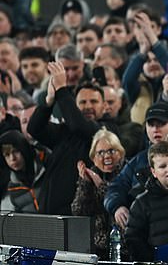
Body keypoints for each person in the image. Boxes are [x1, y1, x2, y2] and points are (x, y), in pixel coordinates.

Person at [27, 64, 114, 215]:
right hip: (51, 213)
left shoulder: (108, 131)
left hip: (83, 217)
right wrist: (48, 102)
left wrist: (61, 89)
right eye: (82, 102)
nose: (88, 106)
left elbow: (79, 127)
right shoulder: (65, 131)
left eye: (93, 101)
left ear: (105, 106)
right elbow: (34, 129)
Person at [104, 102, 168, 229]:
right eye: (151, 124)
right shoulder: (138, 160)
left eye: (161, 124)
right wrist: (117, 207)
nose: (155, 129)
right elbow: (115, 188)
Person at [71, 129, 125, 259]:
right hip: (97, 250)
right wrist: (86, 184)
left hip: (123, 249)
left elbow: (122, 204)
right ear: (93, 158)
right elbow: (78, 211)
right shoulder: (90, 177)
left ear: (121, 153)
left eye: (112, 151)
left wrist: (101, 185)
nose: (106, 156)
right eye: (100, 152)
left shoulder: (127, 174)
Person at [0, 129, 46, 213]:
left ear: (24, 149)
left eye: (16, 151)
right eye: (7, 155)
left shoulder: (46, 169)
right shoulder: (13, 188)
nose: (12, 158)